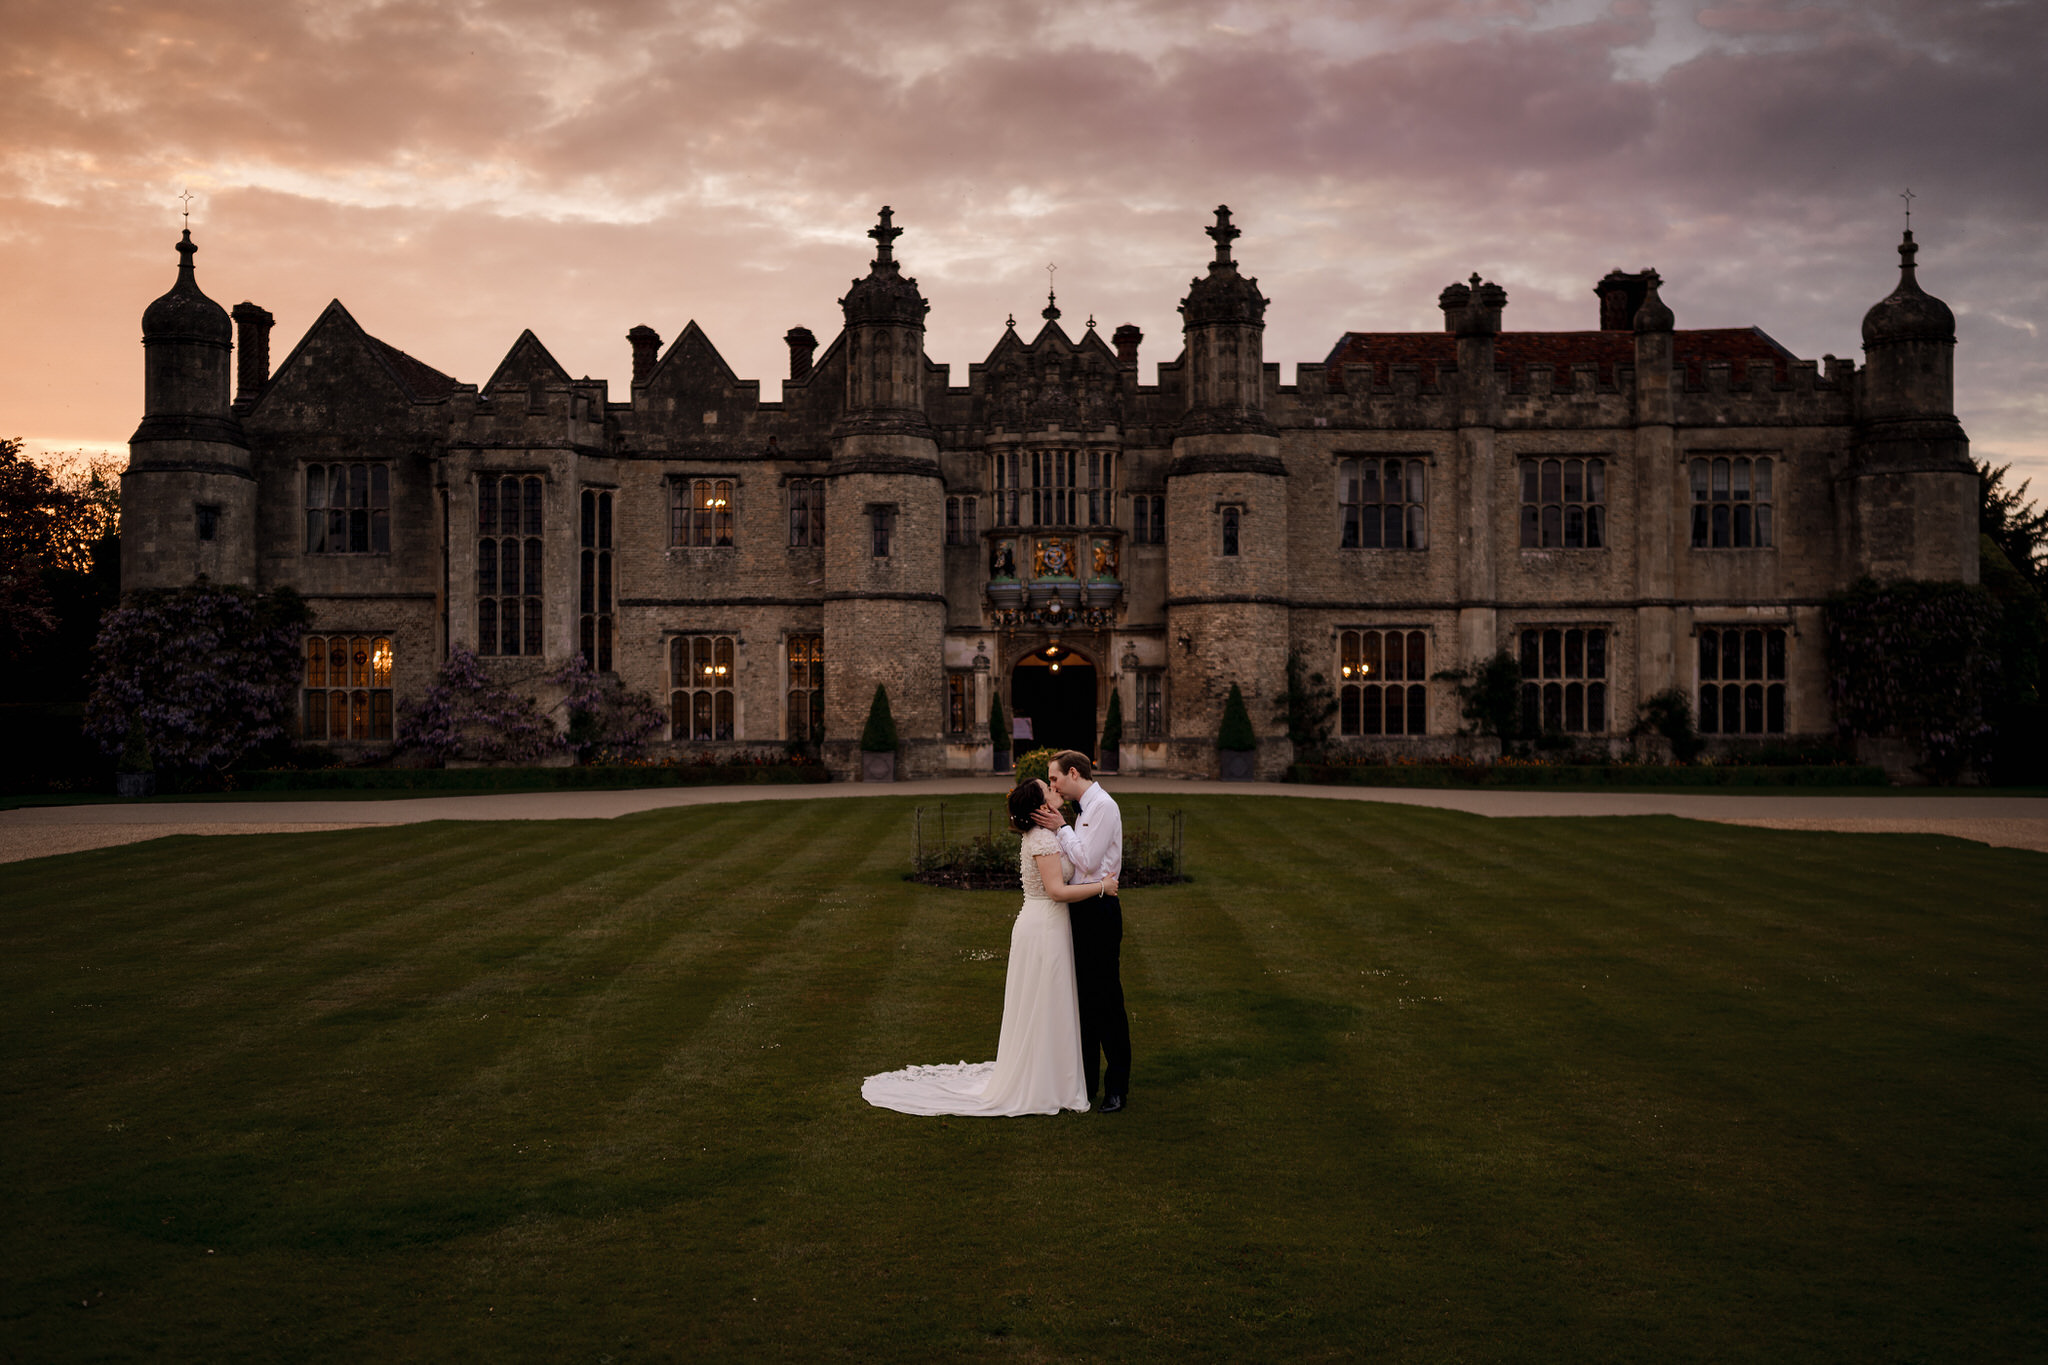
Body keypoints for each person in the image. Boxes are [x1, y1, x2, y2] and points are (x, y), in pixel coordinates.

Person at [861, 778, 1116, 1117]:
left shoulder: (1046, 834)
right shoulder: (1042, 839)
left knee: (1048, 1002)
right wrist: (1102, 886)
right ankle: (1045, 1082)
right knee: (1044, 1001)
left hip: (1047, 925)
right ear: (1042, 806)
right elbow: (1056, 891)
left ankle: (1054, 1076)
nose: (1056, 791)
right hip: (1044, 926)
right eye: (1049, 789)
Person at [1034, 750, 1132, 1113]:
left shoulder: (1104, 806)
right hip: (1081, 906)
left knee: (1107, 999)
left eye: (1055, 778)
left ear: (1073, 773)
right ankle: (1086, 1082)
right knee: (1084, 1002)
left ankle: (1117, 1087)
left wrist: (1060, 827)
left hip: (1101, 909)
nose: (1053, 785)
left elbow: (1088, 861)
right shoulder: (1083, 810)